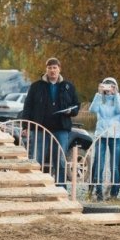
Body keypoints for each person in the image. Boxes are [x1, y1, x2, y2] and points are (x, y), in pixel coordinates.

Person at [19, 58, 80, 186]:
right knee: (37, 159)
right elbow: (28, 106)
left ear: (59, 69)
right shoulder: (36, 86)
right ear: (46, 69)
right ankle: (37, 187)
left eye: (55, 68)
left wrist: (71, 111)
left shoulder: (68, 86)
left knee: (61, 160)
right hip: (40, 129)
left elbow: (76, 105)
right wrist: (25, 125)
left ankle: (61, 188)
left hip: (61, 129)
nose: (52, 70)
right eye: (50, 68)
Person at [88, 77, 120, 200]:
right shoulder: (100, 99)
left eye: (111, 86)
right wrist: (99, 94)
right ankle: (98, 192)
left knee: (115, 166)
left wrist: (116, 94)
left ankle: (114, 193)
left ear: (115, 87)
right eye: (106, 86)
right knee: (99, 164)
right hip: (101, 136)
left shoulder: (119, 99)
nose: (108, 88)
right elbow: (92, 110)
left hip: (115, 137)